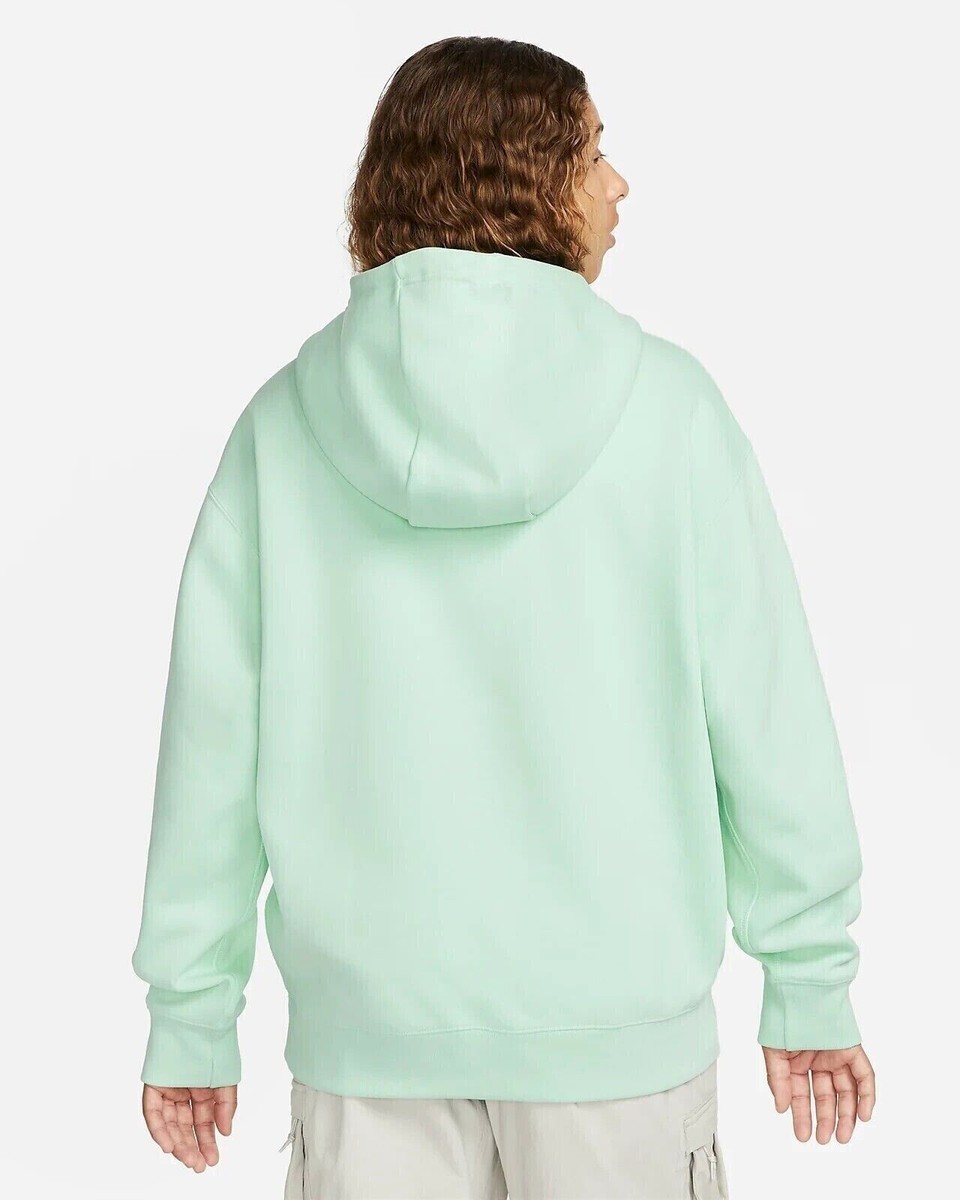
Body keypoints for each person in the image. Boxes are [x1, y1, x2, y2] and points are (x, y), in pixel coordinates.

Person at [131, 35, 876, 1200]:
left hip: (369, 1049)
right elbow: (766, 720)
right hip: (617, 1054)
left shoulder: (284, 428)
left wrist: (191, 1010)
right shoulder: (669, 412)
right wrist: (809, 977)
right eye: (592, 153)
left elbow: (211, 752)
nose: (619, 184)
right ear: (522, 176)